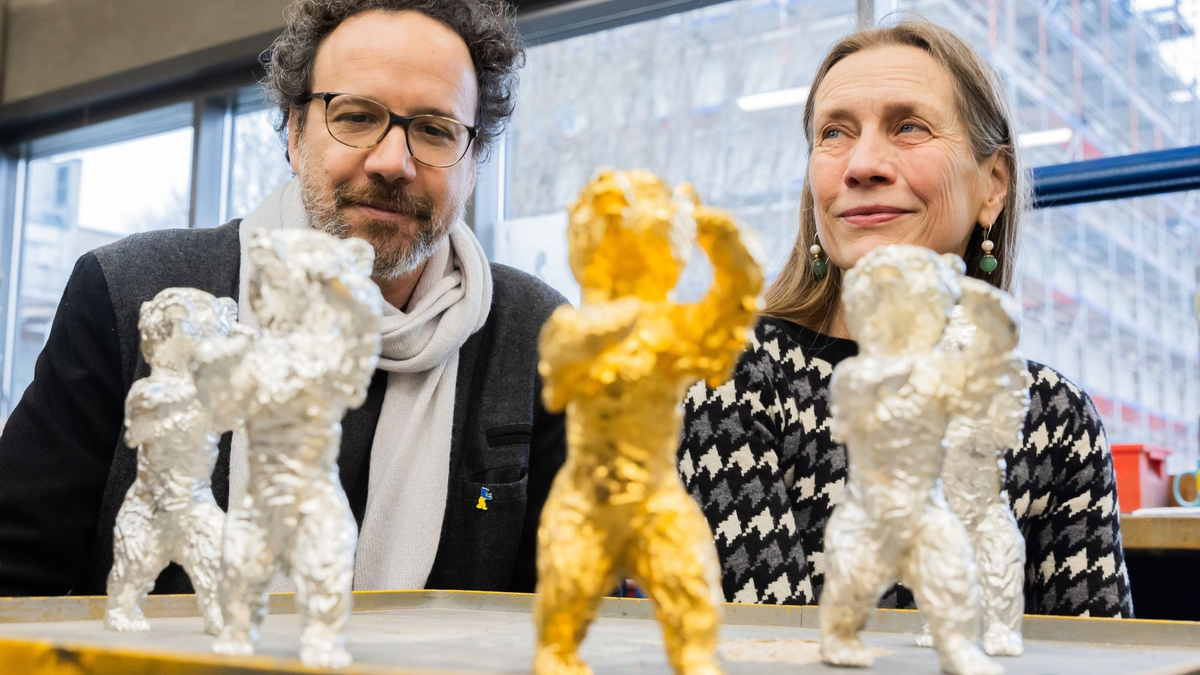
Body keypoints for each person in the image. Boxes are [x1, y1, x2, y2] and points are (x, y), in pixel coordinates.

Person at [0, 0, 567, 597]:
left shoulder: (537, 335)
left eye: (434, 130)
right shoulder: (132, 294)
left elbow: (563, 608)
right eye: (356, 117)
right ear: (294, 134)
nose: (391, 162)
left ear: (473, 162)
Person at [678, 19, 1133, 618]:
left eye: (909, 126)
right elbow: (770, 651)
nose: (862, 164)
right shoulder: (732, 369)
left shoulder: (1056, 416)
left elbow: (1096, 653)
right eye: (834, 133)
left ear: (993, 185)